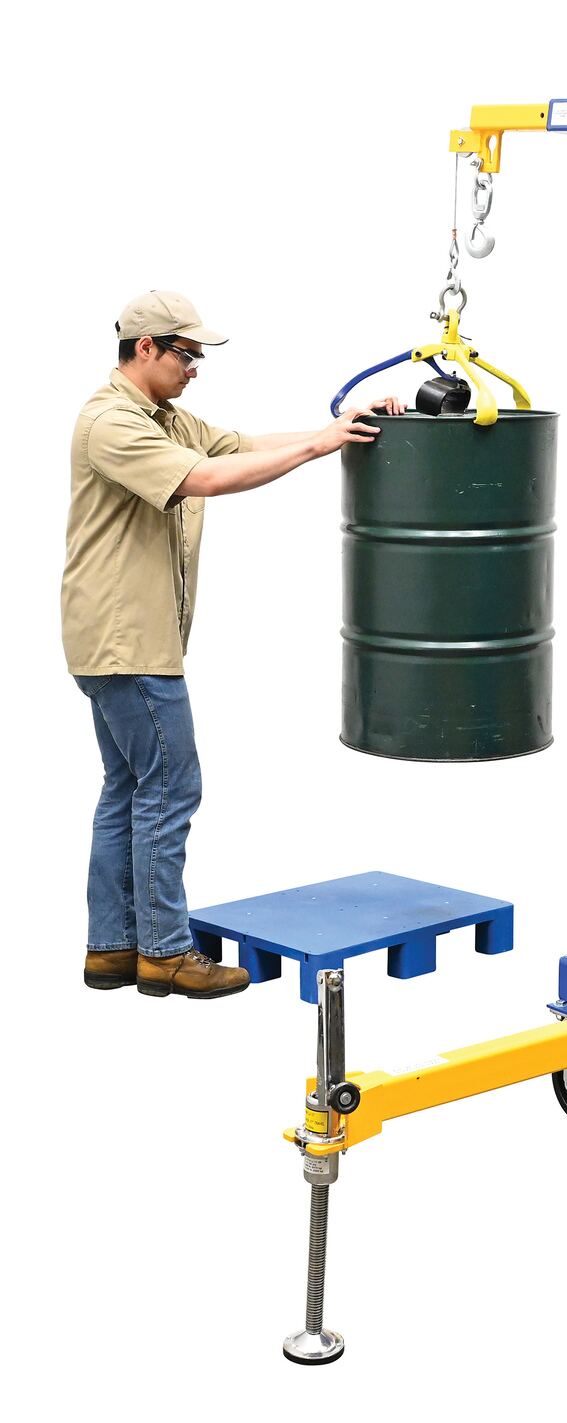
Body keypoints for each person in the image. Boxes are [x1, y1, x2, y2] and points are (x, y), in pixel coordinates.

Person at [63, 290, 405, 999]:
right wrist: (320, 446)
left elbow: (240, 447)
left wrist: (340, 428)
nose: (195, 368)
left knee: (128, 786)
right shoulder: (111, 422)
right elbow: (205, 477)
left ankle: (113, 947)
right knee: (170, 786)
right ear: (146, 347)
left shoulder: (167, 419)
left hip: (117, 638)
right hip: (129, 641)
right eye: (186, 355)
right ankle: (164, 952)